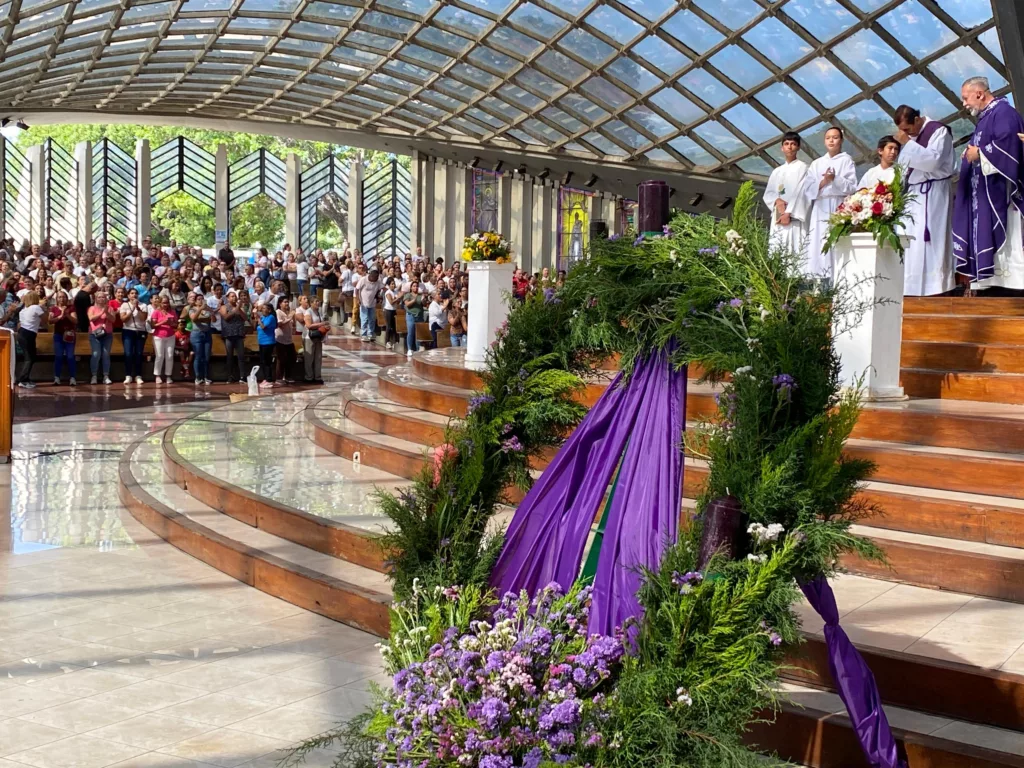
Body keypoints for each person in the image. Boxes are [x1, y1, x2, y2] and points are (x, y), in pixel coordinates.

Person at [952, 77, 1024, 292]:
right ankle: (989, 282)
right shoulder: (986, 118)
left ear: (979, 94)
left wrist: (980, 153)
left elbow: (1010, 147)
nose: (964, 104)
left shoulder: (1003, 113)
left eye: (966, 98)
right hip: (984, 193)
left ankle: (1010, 286)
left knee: (1007, 245)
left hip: (1000, 196)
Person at [892, 104, 957, 296]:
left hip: (933, 192)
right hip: (914, 194)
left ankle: (936, 286)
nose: (905, 134)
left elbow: (932, 161)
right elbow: (904, 166)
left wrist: (909, 144)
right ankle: (910, 285)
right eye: (902, 130)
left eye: (907, 128)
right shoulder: (911, 138)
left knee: (931, 238)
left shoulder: (938, 131)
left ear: (918, 119)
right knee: (911, 238)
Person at [800, 126, 858, 278]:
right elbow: (808, 189)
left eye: (835, 137)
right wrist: (824, 181)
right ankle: (818, 278)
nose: (831, 140)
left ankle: (837, 277)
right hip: (820, 207)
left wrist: (835, 179)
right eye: (828, 138)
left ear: (841, 140)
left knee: (836, 241)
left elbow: (852, 187)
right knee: (818, 241)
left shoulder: (846, 161)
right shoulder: (817, 163)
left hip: (838, 206)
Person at [763, 131, 810, 258]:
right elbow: (769, 193)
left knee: (795, 250)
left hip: (794, 216)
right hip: (778, 215)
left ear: (798, 147)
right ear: (782, 148)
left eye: (793, 144)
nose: (789, 147)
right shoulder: (777, 171)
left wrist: (788, 213)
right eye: (787, 144)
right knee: (777, 248)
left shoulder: (803, 168)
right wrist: (777, 201)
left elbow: (802, 192)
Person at [120, 287, 150, 385]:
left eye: (135, 293)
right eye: (132, 293)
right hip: (128, 331)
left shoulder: (144, 305)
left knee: (138, 353)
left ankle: (138, 375)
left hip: (140, 331)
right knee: (128, 353)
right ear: (128, 295)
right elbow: (123, 319)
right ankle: (128, 375)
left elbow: (143, 319)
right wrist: (132, 309)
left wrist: (137, 308)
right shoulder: (124, 305)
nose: (134, 295)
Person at [16, 291, 45, 388]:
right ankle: (23, 380)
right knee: (29, 358)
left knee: (31, 357)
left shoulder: (23, 309)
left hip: (23, 333)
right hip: (28, 334)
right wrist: (45, 309)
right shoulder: (36, 307)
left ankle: (26, 378)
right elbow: (45, 320)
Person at [49, 291, 77, 386]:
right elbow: (50, 320)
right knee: (58, 356)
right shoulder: (53, 308)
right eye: (60, 297)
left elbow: (75, 320)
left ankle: (72, 378)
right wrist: (60, 315)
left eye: (64, 297)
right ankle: (57, 378)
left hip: (69, 335)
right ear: (57, 299)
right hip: (58, 335)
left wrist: (67, 314)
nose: (62, 299)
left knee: (70, 356)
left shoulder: (71, 308)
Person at [219, 290, 248, 384]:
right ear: (227, 298)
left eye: (235, 296)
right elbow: (226, 317)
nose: (234, 298)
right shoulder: (224, 307)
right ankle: (230, 376)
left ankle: (242, 376)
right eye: (232, 296)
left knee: (241, 356)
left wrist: (239, 308)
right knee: (229, 357)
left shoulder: (240, 307)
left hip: (239, 334)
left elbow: (245, 318)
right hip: (229, 334)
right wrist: (235, 310)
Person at [87, 291, 115, 385]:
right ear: (96, 299)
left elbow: (113, 319)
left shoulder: (110, 308)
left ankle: (106, 375)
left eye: (103, 297)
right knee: (96, 353)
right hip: (95, 334)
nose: (101, 299)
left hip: (107, 334)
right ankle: (94, 375)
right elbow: (91, 318)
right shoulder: (92, 308)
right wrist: (102, 312)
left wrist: (106, 312)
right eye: (99, 297)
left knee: (106, 354)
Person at [187, 291, 214, 385]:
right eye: (198, 299)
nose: (201, 300)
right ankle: (198, 377)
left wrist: (211, 312)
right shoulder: (192, 309)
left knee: (206, 357)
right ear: (195, 301)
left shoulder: (207, 310)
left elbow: (212, 319)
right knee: (198, 356)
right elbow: (194, 319)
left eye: (202, 299)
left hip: (207, 333)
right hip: (196, 334)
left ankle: (206, 376)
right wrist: (200, 310)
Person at [150, 295, 177, 384]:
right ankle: (157, 375)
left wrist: (171, 323)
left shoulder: (172, 312)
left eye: (167, 302)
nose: (165, 304)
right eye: (163, 303)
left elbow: (176, 325)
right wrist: (163, 322)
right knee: (160, 355)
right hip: (158, 336)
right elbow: (153, 325)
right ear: (160, 303)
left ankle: (168, 375)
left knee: (169, 356)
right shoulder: (156, 312)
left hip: (170, 336)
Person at [301, 296, 328, 384]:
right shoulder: (308, 312)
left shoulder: (318, 312)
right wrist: (321, 324)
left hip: (318, 337)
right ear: (311, 303)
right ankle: (309, 377)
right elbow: (308, 325)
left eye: (318, 301)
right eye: (316, 301)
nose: (318, 303)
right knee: (309, 358)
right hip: (309, 337)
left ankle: (317, 376)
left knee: (318, 357)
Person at [255, 302, 278, 387]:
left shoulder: (271, 317)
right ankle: (265, 378)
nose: (262, 310)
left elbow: (263, 327)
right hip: (262, 342)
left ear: (269, 310)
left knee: (267, 361)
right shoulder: (263, 317)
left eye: (264, 308)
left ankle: (269, 379)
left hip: (268, 342)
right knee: (262, 361)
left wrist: (258, 319)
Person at [275, 297, 296, 384]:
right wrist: (289, 317)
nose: (287, 304)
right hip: (280, 339)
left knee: (292, 358)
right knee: (281, 359)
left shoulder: (288, 313)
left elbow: (292, 324)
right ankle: (279, 378)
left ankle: (288, 376)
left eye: (288, 302)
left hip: (289, 339)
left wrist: (292, 318)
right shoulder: (278, 312)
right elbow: (279, 324)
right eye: (285, 302)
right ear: (280, 303)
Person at [356, 268, 381, 342]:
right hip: (363, 302)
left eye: (377, 277)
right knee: (364, 319)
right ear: (371, 276)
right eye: (375, 277)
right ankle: (363, 334)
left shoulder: (378, 282)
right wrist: (358, 299)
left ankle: (370, 333)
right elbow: (356, 289)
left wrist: (378, 296)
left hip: (372, 303)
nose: (376, 279)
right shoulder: (363, 280)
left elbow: (381, 288)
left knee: (372, 319)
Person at [403, 279, 424, 357]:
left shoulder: (420, 295)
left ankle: (417, 349)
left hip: (419, 316)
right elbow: (407, 304)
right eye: (414, 286)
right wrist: (414, 300)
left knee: (418, 333)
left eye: (417, 286)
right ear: (411, 287)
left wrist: (424, 300)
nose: (416, 287)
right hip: (411, 315)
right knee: (411, 332)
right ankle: (409, 349)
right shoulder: (408, 295)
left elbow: (424, 304)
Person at [383, 277, 400, 350]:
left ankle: (395, 341)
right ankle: (387, 341)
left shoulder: (395, 292)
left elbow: (397, 301)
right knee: (389, 326)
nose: (393, 285)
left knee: (394, 326)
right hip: (388, 310)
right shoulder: (388, 292)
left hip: (394, 310)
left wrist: (398, 299)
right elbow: (391, 302)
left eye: (394, 284)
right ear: (389, 285)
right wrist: (398, 298)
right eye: (392, 284)